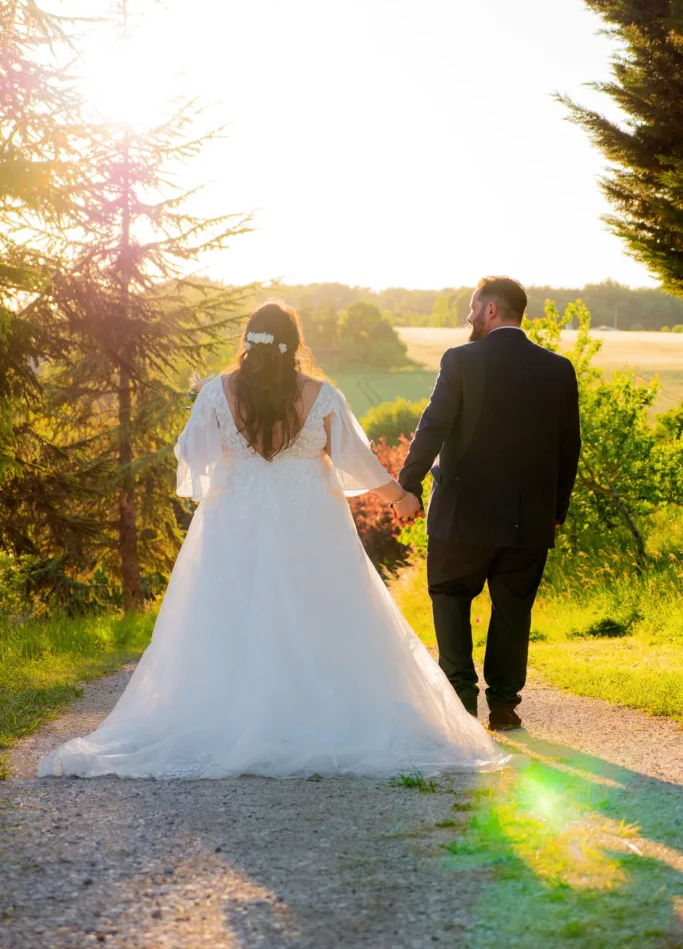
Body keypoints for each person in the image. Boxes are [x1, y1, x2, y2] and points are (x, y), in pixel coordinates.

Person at [38, 302, 507, 780]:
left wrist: (213, 418)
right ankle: (318, 713)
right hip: (309, 520)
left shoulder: (217, 392)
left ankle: (232, 716)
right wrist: (400, 497)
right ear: (294, 343)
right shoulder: (321, 395)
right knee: (318, 612)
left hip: (234, 518)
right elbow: (355, 459)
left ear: (249, 341)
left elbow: (193, 456)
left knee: (231, 613)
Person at [396, 277, 581, 731]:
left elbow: (433, 426)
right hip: (529, 518)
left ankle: (461, 698)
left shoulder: (460, 360)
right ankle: (503, 706)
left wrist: (408, 485)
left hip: (463, 512)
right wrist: (556, 509)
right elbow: (568, 447)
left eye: (473, 307)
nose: (469, 316)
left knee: (449, 595)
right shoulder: (558, 368)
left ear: (491, 310)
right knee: (513, 608)